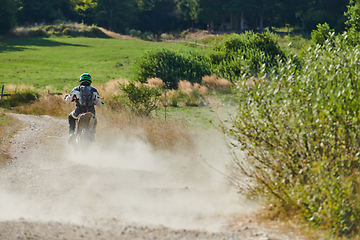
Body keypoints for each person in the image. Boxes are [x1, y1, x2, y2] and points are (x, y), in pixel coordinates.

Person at [64, 73, 103, 143]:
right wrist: (99, 103)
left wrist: (67, 97)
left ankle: (71, 134)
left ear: (80, 81)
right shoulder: (94, 90)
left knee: (71, 116)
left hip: (79, 111)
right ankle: (92, 135)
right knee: (95, 119)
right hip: (91, 112)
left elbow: (68, 100)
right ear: (90, 81)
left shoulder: (76, 89)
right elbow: (99, 104)